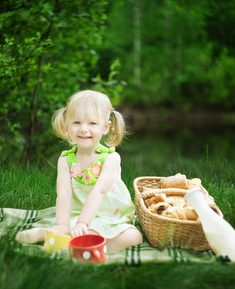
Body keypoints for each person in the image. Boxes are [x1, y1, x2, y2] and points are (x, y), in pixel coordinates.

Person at [15, 90, 143, 252]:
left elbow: (99, 193)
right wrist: (63, 225)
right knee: (76, 228)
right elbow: (64, 193)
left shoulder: (111, 158)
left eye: (92, 123)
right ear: (67, 125)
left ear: (105, 127)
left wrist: (84, 223)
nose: (83, 129)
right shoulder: (65, 160)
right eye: (76, 122)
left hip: (111, 218)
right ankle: (67, 237)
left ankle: (63, 241)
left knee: (135, 237)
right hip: (78, 216)